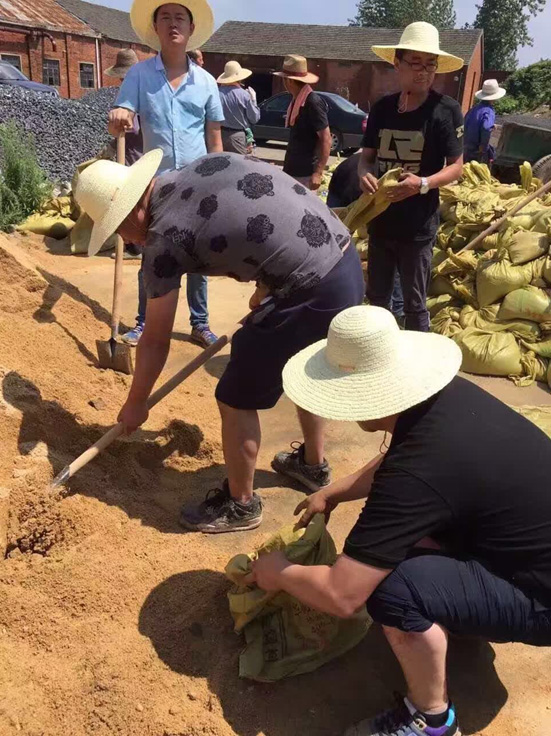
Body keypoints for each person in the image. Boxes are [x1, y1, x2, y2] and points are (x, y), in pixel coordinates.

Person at [251, 304, 551, 736]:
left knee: (390, 589)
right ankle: (455, 610)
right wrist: (334, 491)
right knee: (404, 544)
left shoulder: (415, 473)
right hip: (527, 547)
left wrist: (278, 571)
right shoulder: (448, 398)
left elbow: (342, 596)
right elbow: (400, 458)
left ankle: (431, 718)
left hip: (542, 597)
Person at [74, 152, 365, 533]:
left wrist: (136, 404)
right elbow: (263, 210)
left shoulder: (162, 240)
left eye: (119, 231)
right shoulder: (194, 170)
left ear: (132, 214)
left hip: (310, 287)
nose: (126, 241)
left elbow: (156, 339)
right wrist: (268, 283)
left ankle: (241, 504)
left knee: (234, 396)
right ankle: (312, 465)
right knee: (301, 370)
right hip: (343, 262)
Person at [108, 0, 224, 349]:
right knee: (152, 256)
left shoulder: (205, 82)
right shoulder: (139, 76)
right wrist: (118, 116)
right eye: (165, 18)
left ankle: (199, 323)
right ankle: (144, 323)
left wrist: (218, 180)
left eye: (180, 18)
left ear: (190, 29)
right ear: (155, 28)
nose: (173, 24)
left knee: (198, 257)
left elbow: (214, 137)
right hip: (155, 184)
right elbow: (123, 115)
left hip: (198, 182)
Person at [358, 22, 465, 332]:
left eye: (430, 64)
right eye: (415, 63)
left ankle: (419, 371)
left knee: (415, 304)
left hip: (418, 227)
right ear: (397, 63)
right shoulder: (382, 109)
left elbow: (456, 165)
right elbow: (366, 158)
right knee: (377, 299)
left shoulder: (446, 111)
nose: (424, 71)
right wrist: (364, 175)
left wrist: (422, 184)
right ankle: (378, 359)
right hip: (380, 220)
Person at [327, 153, 404, 324]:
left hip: (348, 198)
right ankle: (397, 313)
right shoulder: (382, 178)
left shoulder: (368, 168)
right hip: (351, 196)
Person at [104, 48, 144, 260]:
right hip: (133, 152)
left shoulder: (134, 93)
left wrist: (115, 137)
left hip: (134, 155)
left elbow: (133, 128)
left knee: (132, 201)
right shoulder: (135, 89)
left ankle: (134, 248)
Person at [274, 55, 331, 191]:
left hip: (305, 174)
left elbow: (326, 139)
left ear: (289, 81)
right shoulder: (297, 100)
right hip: (293, 170)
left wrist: (318, 173)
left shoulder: (312, 102)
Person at [216, 60, 260, 154]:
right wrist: (253, 100)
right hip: (237, 135)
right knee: (239, 166)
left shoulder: (216, 93)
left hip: (218, 134)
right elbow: (254, 118)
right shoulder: (244, 95)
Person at [464, 79, 506, 164]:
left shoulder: (474, 109)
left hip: (466, 147)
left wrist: (491, 125)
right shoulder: (489, 111)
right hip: (476, 150)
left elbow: (467, 123)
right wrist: (483, 147)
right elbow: (486, 128)